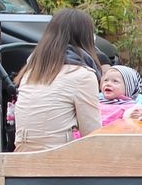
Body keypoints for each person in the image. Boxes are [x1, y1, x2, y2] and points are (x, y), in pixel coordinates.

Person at [12, 8, 103, 152]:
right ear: (87, 38)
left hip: (21, 155)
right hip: (55, 157)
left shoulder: (31, 72)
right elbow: (92, 135)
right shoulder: (82, 75)